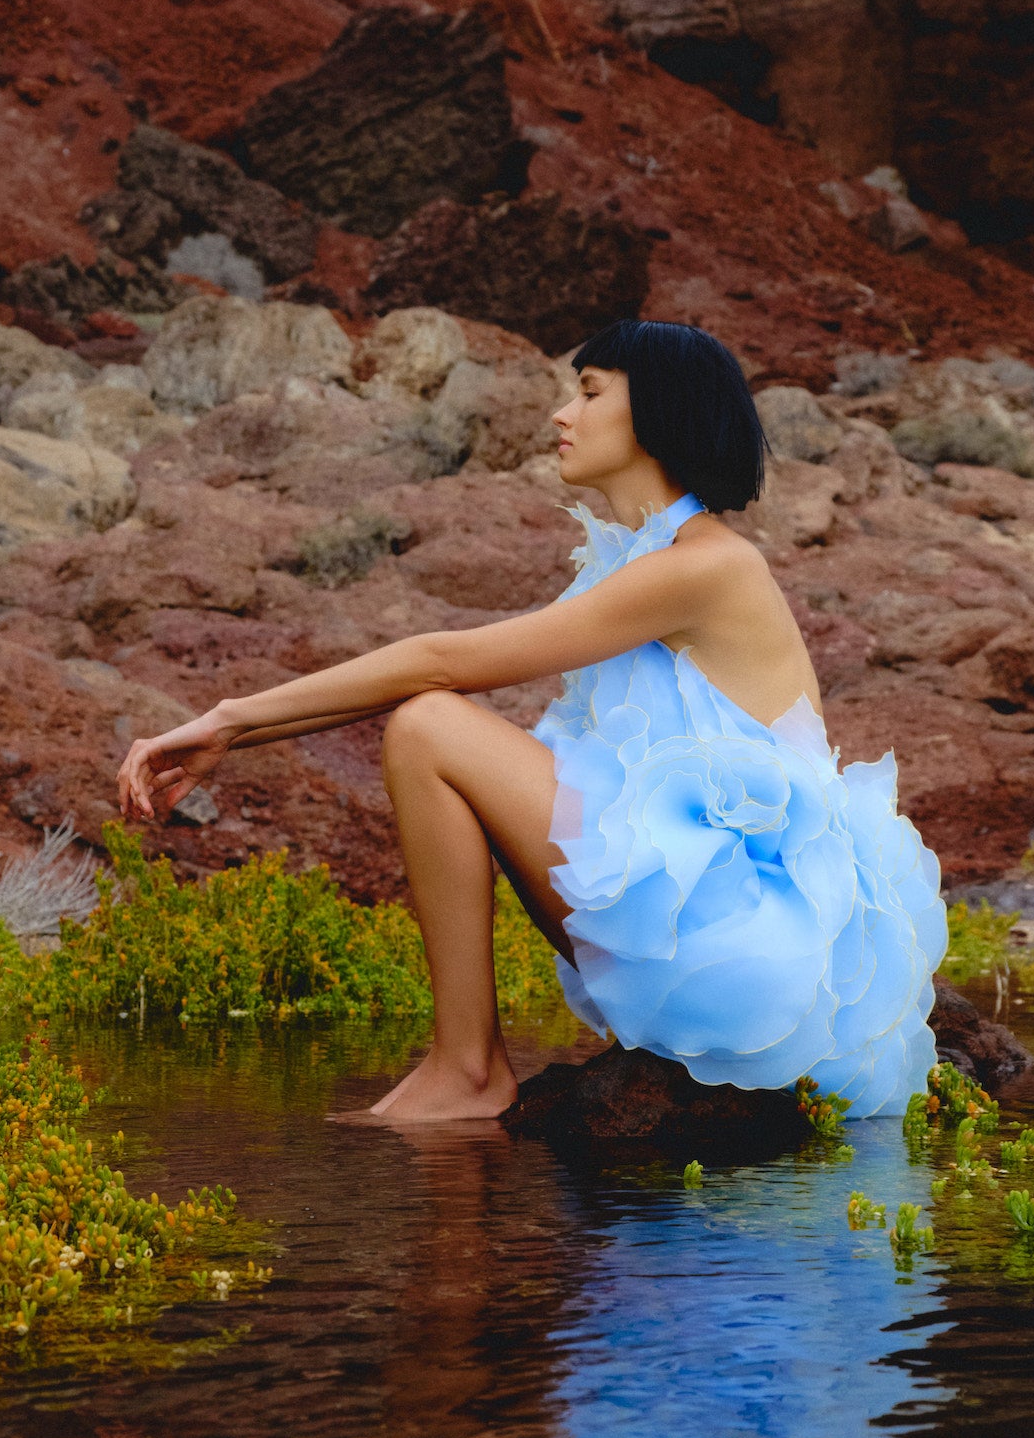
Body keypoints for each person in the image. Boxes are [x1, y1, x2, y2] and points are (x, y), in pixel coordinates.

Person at [116, 319, 945, 1123]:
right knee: (436, 726)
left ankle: (467, 1067)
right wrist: (236, 730)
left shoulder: (707, 566)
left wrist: (230, 721)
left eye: (589, 392)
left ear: (656, 411)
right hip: (716, 929)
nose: (561, 414)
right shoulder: (647, 558)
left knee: (428, 726)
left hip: (743, 946)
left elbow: (442, 662)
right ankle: (466, 1065)